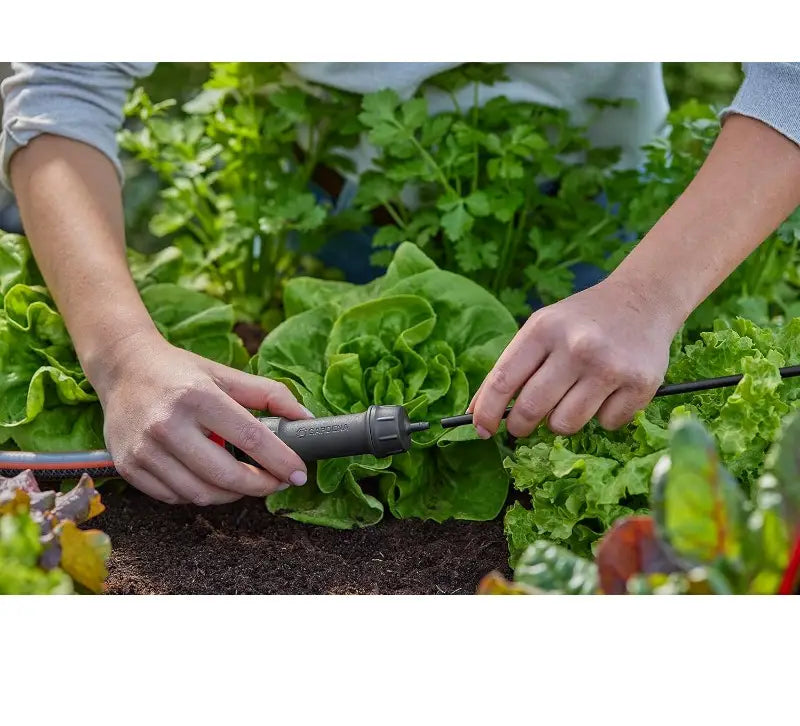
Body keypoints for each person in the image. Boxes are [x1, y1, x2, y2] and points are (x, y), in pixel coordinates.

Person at [2, 62, 799, 507]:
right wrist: (122, 353)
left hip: (606, 210)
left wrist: (646, 296)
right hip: (326, 195)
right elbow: (65, 82)